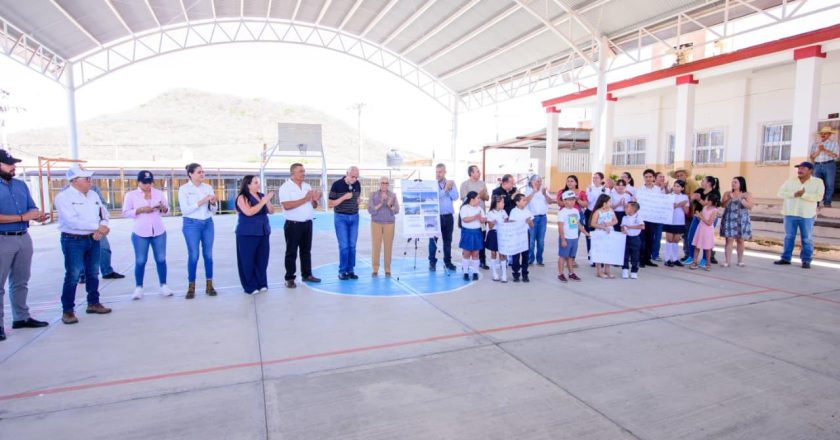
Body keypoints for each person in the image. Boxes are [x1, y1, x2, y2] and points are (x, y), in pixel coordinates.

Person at [54, 164, 113, 324]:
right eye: (86, 179)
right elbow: (71, 221)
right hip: (73, 240)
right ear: (74, 180)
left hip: (93, 239)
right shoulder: (63, 197)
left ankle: (93, 303)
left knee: (93, 273)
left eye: (89, 179)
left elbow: (103, 213)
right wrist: (97, 227)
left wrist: (104, 227)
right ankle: (68, 311)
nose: (90, 182)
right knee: (73, 275)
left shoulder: (93, 195)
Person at [0, 149, 49, 340]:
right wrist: (22, 217)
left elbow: (33, 207)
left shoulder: (20, 185)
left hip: (23, 237)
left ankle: (21, 317)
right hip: (3, 238)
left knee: (21, 280)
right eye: (9, 164)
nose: (13, 167)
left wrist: (35, 215)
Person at [122, 171, 173, 300]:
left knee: (161, 259)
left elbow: (167, 211)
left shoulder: (159, 193)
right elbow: (125, 212)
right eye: (145, 183)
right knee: (140, 260)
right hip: (140, 232)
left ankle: (164, 285)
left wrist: (163, 208)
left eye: (150, 182)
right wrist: (140, 210)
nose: (148, 185)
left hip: (158, 230)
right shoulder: (131, 195)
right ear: (138, 182)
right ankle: (139, 287)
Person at [278, 163, 321, 288]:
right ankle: (289, 278)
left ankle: (307, 274)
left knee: (306, 251)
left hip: (307, 223)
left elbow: (313, 205)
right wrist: (305, 199)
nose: (303, 173)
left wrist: (314, 200)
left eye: (304, 171)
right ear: (293, 173)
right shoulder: (285, 187)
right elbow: (286, 205)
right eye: (301, 171)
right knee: (291, 252)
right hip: (293, 225)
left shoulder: (307, 186)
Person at [775, 162, 825, 269]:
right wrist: (794, 194)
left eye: (803, 168)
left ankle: (806, 260)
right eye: (799, 168)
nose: (800, 170)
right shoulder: (790, 180)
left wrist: (803, 195)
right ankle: (785, 258)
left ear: (810, 170)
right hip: (790, 213)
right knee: (789, 237)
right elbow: (780, 193)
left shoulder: (818, 182)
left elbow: (819, 197)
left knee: (807, 238)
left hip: (806, 215)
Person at [179, 163, 217, 299]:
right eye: (199, 172)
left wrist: (213, 203)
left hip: (207, 223)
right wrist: (201, 201)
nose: (202, 174)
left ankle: (209, 285)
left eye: (203, 172)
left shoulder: (208, 187)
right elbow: (185, 210)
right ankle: (191, 286)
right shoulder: (183, 189)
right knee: (194, 255)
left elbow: (213, 210)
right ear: (191, 174)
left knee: (208, 255)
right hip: (191, 224)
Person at [78, 185, 126, 283]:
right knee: (82, 252)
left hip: (97, 225)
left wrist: (101, 224)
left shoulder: (93, 189)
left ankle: (107, 271)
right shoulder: (67, 192)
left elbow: (102, 205)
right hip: (80, 228)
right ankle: (83, 275)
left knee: (104, 248)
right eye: (85, 178)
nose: (88, 181)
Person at [235, 175, 274, 294]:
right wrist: (262, 202)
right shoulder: (242, 197)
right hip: (247, 233)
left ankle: (261, 282)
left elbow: (271, 211)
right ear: (248, 185)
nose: (258, 184)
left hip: (263, 232)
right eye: (256, 182)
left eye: (258, 182)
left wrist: (267, 201)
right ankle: (249, 285)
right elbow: (249, 212)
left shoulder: (262, 196)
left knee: (262, 259)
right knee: (247, 260)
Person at [329, 166, 362, 280]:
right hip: (341, 218)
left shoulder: (357, 184)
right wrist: (344, 197)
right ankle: (342, 271)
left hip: (354, 217)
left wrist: (358, 201)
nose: (355, 179)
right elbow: (330, 203)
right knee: (344, 246)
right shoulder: (336, 184)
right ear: (346, 173)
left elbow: (357, 198)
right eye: (353, 176)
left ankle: (350, 270)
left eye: (357, 177)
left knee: (352, 246)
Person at [428, 163, 459, 272]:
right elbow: (434, 198)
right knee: (433, 241)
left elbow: (455, 197)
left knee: (447, 241)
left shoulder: (451, 183)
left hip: (448, 217)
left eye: (440, 172)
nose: (438, 174)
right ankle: (432, 262)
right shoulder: (432, 185)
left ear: (445, 172)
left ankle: (448, 262)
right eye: (436, 172)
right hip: (435, 217)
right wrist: (445, 189)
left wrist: (450, 188)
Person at [683, 175, 720, 267]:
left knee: (706, 239)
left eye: (703, 180)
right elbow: (691, 199)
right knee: (691, 237)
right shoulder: (699, 190)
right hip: (697, 217)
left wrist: (699, 199)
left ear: (709, 183)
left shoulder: (715, 193)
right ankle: (691, 257)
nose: (701, 182)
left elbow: (710, 206)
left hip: (707, 219)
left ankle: (704, 259)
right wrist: (692, 197)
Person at [368, 176, 400, 277]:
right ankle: (375, 269)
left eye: (386, 183)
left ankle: (387, 269)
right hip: (376, 223)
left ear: (388, 185)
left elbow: (397, 210)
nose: (384, 185)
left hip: (389, 224)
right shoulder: (373, 195)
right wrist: (381, 203)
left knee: (388, 247)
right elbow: (370, 210)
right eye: (382, 183)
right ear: (379, 184)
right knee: (376, 246)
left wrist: (390, 205)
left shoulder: (393, 195)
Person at [460, 165, 490, 269]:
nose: (479, 173)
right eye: (477, 171)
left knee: (481, 239)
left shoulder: (482, 183)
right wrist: (478, 194)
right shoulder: (465, 184)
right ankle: (466, 264)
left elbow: (487, 197)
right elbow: (464, 199)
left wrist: (483, 195)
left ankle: (482, 261)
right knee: (467, 243)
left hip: (481, 216)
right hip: (470, 218)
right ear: (471, 173)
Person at [721, 177, 753, 267]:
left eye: (735, 182)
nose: (733, 184)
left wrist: (741, 200)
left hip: (741, 219)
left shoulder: (746, 194)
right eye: (732, 182)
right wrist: (729, 199)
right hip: (729, 218)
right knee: (729, 239)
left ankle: (740, 260)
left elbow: (750, 206)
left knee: (740, 240)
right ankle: (727, 261)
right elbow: (722, 205)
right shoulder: (727, 193)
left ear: (741, 183)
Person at [557, 191, 588, 282]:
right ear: (564, 201)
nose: (571, 202)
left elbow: (578, 224)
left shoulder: (576, 211)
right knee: (562, 256)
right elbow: (560, 227)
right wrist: (563, 239)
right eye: (569, 200)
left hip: (574, 238)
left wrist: (585, 233)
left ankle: (571, 273)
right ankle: (561, 274)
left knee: (571, 257)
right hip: (566, 238)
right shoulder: (562, 212)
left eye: (573, 200)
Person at [523, 174, 552, 266]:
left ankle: (540, 259)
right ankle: (530, 259)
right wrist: (533, 192)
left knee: (541, 241)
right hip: (532, 218)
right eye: (536, 181)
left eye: (540, 181)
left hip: (543, 218)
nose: (539, 183)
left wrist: (544, 194)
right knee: (531, 241)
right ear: (531, 182)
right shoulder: (527, 190)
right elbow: (524, 202)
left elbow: (550, 202)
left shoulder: (544, 191)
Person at [636, 169, 662, 268]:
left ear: (654, 178)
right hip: (642, 218)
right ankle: (640, 259)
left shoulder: (658, 190)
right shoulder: (640, 190)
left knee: (651, 239)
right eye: (646, 177)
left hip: (653, 218)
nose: (648, 179)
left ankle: (647, 259)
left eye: (650, 177)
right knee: (642, 239)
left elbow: (659, 202)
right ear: (644, 178)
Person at [689, 193, 720, 272]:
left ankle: (708, 263)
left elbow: (709, 223)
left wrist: (700, 217)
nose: (705, 201)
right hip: (701, 228)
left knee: (707, 248)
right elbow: (701, 219)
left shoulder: (715, 210)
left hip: (707, 230)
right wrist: (698, 216)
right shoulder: (705, 207)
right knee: (697, 246)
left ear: (711, 201)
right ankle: (694, 262)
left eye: (706, 199)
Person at [459, 191, 485, 281]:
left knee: (476, 253)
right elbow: (465, 219)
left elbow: (483, 220)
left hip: (477, 232)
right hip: (467, 232)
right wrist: (475, 217)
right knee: (466, 253)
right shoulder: (464, 208)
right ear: (472, 199)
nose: (479, 200)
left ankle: (475, 272)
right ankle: (465, 272)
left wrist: (482, 219)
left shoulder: (480, 208)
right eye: (478, 198)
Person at [809, 126, 838, 208]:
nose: (823, 134)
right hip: (817, 165)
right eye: (822, 133)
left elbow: (835, 156)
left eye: (825, 133)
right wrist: (819, 150)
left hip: (829, 165)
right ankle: (816, 202)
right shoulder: (815, 144)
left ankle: (827, 202)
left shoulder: (834, 143)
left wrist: (824, 150)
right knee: (816, 184)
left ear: (829, 135)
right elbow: (812, 157)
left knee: (829, 184)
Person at [590, 194, 617, 279]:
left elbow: (615, 220)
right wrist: (603, 227)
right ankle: (599, 271)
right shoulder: (598, 211)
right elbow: (593, 223)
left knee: (608, 251)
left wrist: (608, 224)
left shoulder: (611, 210)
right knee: (600, 252)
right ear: (604, 203)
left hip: (609, 232)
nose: (610, 203)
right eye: (609, 201)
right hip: (600, 233)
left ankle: (607, 270)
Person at [663, 180, 689, 267]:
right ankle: (667, 259)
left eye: (678, 186)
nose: (675, 188)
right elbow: (666, 208)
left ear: (682, 188)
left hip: (679, 221)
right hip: (670, 221)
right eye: (674, 186)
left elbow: (686, 211)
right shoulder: (669, 196)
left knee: (676, 240)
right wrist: (676, 205)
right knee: (669, 239)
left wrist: (682, 205)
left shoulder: (685, 197)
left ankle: (675, 259)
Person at [508, 194, 533, 282]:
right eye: (523, 200)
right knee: (516, 255)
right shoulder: (513, 211)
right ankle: (516, 273)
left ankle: (525, 273)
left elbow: (532, 225)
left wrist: (529, 222)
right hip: (516, 235)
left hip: (525, 235)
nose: (525, 202)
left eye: (526, 200)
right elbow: (511, 223)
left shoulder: (527, 211)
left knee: (525, 255)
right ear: (517, 202)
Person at [584, 172, 609, 262]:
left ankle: (599, 257)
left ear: (601, 179)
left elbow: (605, 201)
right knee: (590, 235)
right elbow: (590, 200)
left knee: (600, 235)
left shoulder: (606, 189)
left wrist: (603, 190)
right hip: (590, 212)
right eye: (593, 178)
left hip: (601, 214)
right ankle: (591, 257)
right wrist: (590, 191)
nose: (594, 179)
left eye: (597, 178)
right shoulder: (589, 188)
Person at [484, 196, 508, 282]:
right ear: (497, 203)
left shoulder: (504, 212)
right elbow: (489, 226)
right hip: (493, 234)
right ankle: (494, 273)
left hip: (502, 234)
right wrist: (493, 222)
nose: (503, 204)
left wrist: (506, 221)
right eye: (502, 202)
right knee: (493, 253)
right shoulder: (490, 213)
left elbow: (506, 222)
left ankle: (504, 274)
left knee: (502, 254)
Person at [621, 201, 644, 279]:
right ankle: (625, 269)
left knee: (635, 255)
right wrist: (622, 230)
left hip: (635, 238)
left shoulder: (638, 217)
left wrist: (630, 227)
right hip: (626, 237)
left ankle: (634, 271)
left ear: (633, 209)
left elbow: (642, 227)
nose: (625, 208)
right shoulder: (625, 217)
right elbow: (622, 226)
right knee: (625, 255)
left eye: (627, 207)